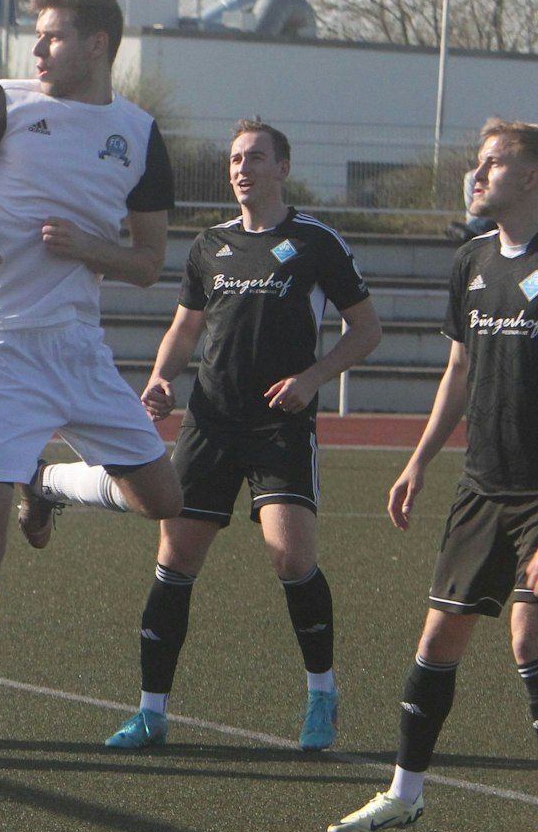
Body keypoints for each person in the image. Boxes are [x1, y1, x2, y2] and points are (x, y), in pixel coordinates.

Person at [0, 0, 181, 809]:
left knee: (164, 498)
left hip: (78, 351)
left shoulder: (138, 136)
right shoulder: (5, 105)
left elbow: (149, 262)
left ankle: (49, 482)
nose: (37, 49)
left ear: (98, 44)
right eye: (37, 36)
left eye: (52, 36)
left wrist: (93, 246)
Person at [105, 120, 381, 752]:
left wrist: (313, 378)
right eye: (235, 158)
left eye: (255, 157)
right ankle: (150, 712)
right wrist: (159, 379)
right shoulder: (211, 244)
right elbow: (185, 327)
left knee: (292, 558)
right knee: (175, 563)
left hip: (280, 425)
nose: (242, 168)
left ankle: (321, 695)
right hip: (210, 421)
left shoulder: (316, 242)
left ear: (283, 168)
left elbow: (366, 330)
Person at [328, 119, 538, 832]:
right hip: (484, 484)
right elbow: (457, 371)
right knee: (438, 639)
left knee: (527, 635)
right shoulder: (472, 260)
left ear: (534, 176)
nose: (476, 176)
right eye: (476, 164)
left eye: (494, 164)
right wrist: (418, 459)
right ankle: (404, 793)